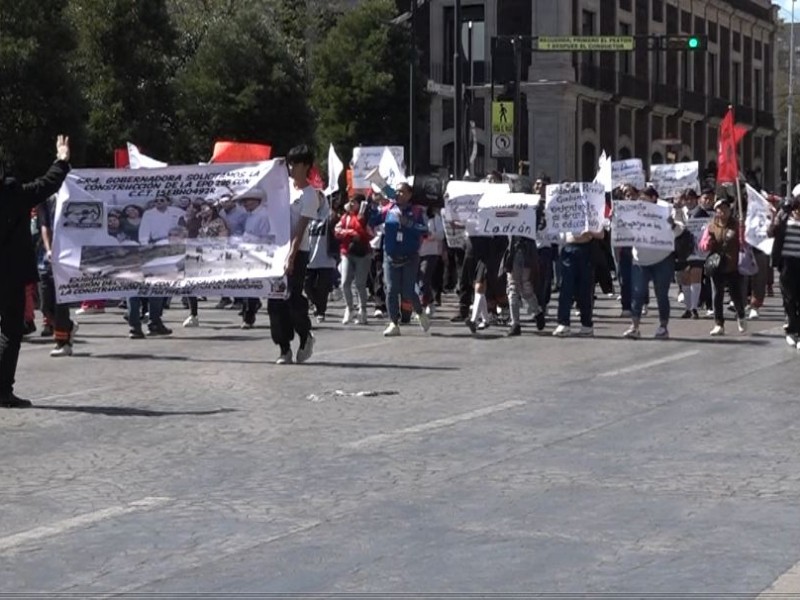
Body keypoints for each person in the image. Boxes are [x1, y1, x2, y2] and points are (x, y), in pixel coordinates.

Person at [0, 135, 71, 407]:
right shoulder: (12, 193)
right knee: (10, 331)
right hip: (10, 274)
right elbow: (45, 185)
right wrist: (62, 159)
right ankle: (3, 390)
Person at [267, 145, 319, 364]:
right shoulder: (284, 186)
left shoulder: (310, 195)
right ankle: (284, 348)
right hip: (275, 251)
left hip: (298, 252)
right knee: (274, 301)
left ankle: (305, 336)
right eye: (289, 163)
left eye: (295, 163)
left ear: (306, 166)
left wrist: (291, 256)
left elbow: (301, 228)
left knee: (292, 299)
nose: (291, 167)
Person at [369, 182, 431, 337]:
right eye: (396, 191)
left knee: (408, 290)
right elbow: (373, 220)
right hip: (390, 256)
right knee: (391, 289)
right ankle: (393, 323)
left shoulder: (417, 211)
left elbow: (425, 231)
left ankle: (419, 311)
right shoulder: (388, 209)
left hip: (410, 256)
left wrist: (408, 223)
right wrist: (369, 207)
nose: (398, 194)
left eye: (402, 192)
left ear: (409, 194)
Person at [335, 194, 374, 325]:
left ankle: (362, 310)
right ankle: (349, 308)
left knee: (360, 284)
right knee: (345, 282)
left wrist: (361, 222)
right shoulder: (346, 217)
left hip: (362, 254)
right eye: (350, 201)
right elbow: (337, 230)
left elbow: (370, 234)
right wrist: (350, 233)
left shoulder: (366, 217)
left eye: (354, 202)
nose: (351, 204)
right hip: (347, 252)